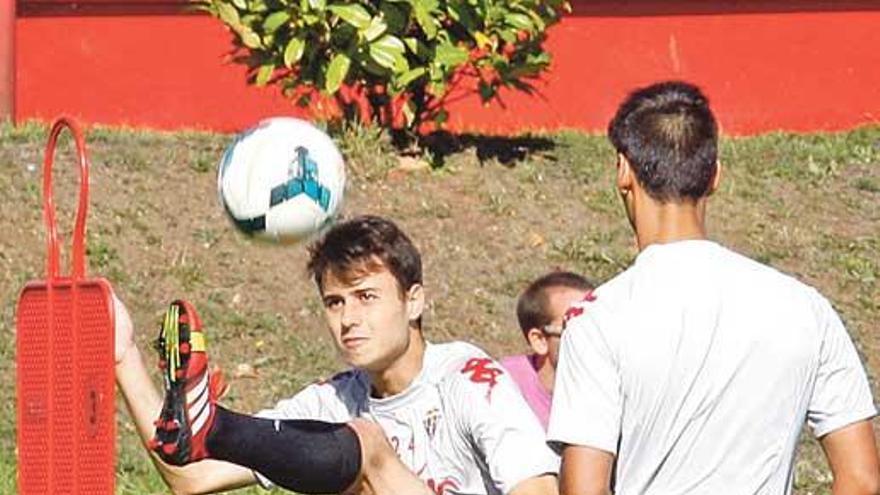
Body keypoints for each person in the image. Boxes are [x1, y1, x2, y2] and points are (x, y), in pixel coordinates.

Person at [546, 81, 880, 494]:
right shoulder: (804, 308)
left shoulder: (599, 318)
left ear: (623, 171)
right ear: (715, 175)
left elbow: (583, 489)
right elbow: (862, 480)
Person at [114, 215, 558, 495]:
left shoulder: (468, 376)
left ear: (415, 301)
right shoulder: (332, 399)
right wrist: (124, 355)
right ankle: (213, 425)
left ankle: (218, 423)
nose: (348, 319)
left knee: (366, 444)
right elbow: (192, 476)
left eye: (366, 296)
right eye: (335, 302)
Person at [500, 271, 593, 430]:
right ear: (540, 340)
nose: (595, 338)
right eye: (577, 329)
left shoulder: (616, 390)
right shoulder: (502, 388)